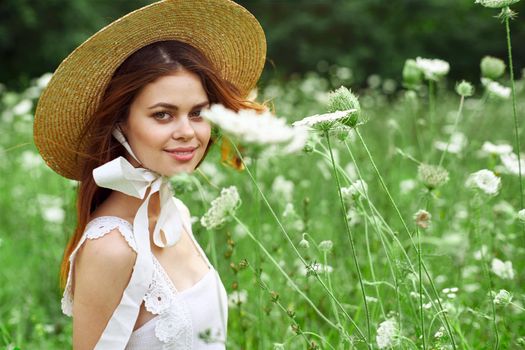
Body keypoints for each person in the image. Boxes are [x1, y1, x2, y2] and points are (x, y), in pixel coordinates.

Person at [33, 0, 267, 349]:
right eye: (162, 115)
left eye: (198, 112)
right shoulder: (110, 247)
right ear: (120, 122)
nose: (187, 131)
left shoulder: (177, 216)